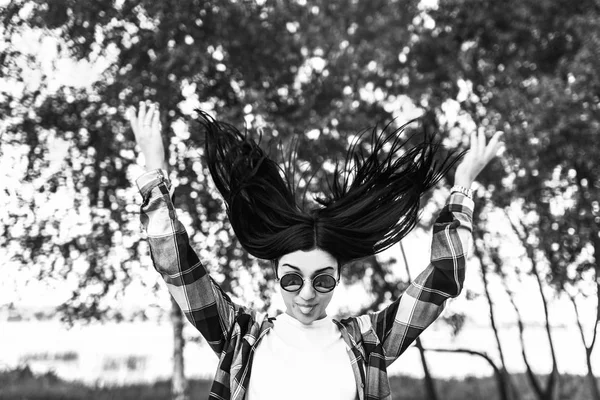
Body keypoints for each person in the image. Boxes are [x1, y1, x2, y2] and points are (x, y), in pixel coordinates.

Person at [127, 101, 504, 400]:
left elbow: (443, 277)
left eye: (322, 280)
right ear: (276, 275)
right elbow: (178, 266)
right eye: (292, 279)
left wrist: (462, 188)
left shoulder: (370, 342)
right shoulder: (238, 339)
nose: (307, 294)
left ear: (338, 278)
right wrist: (154, 172)